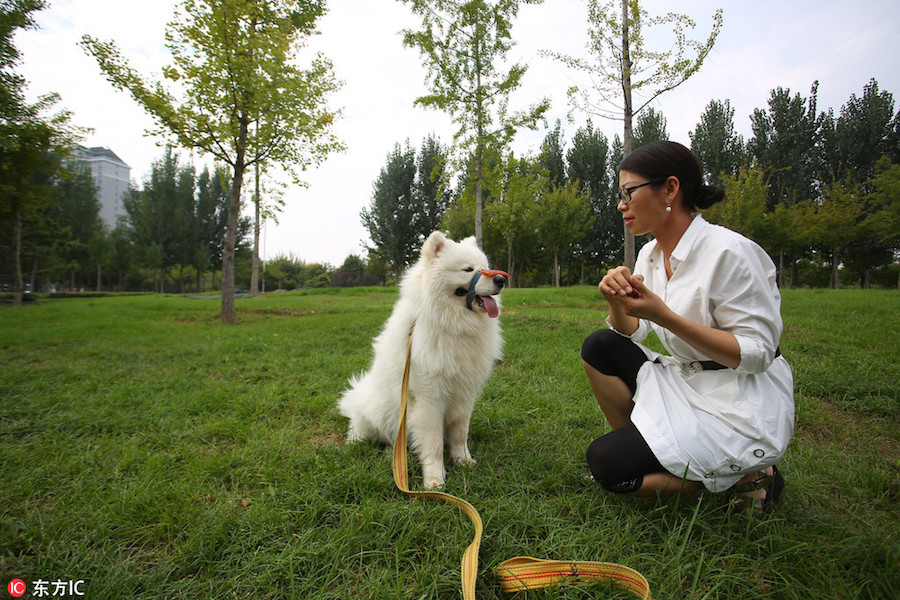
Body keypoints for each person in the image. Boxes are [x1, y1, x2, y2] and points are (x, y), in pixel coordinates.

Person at [581, 140, 794, 512]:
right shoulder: (650, 253)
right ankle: (656, 449)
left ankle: (745, 476)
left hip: (738, 401)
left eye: (629, 192)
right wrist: (617, 304)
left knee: (608, 466)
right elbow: (633, 331)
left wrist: (664, 315)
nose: (621, 204)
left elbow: (758, 355)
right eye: (621, 194)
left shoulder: (730, 252)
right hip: (689, 380)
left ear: (670, 189)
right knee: (600, 345)